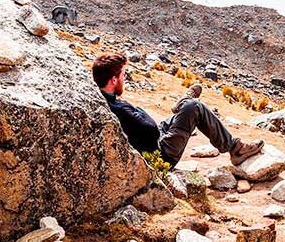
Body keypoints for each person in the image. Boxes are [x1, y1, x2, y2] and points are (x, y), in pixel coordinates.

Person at [92, 53, 264, 167]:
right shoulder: (116, 108)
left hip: (155, 140)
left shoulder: (102, 100)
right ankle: (235, 149)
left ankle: (184, 102)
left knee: (183, 114)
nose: (124, 79)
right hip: (162, 154)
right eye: (122, 75)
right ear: (113, 80)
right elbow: (150, 130)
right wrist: (139, 112)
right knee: (194, 107)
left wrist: (138, 113)